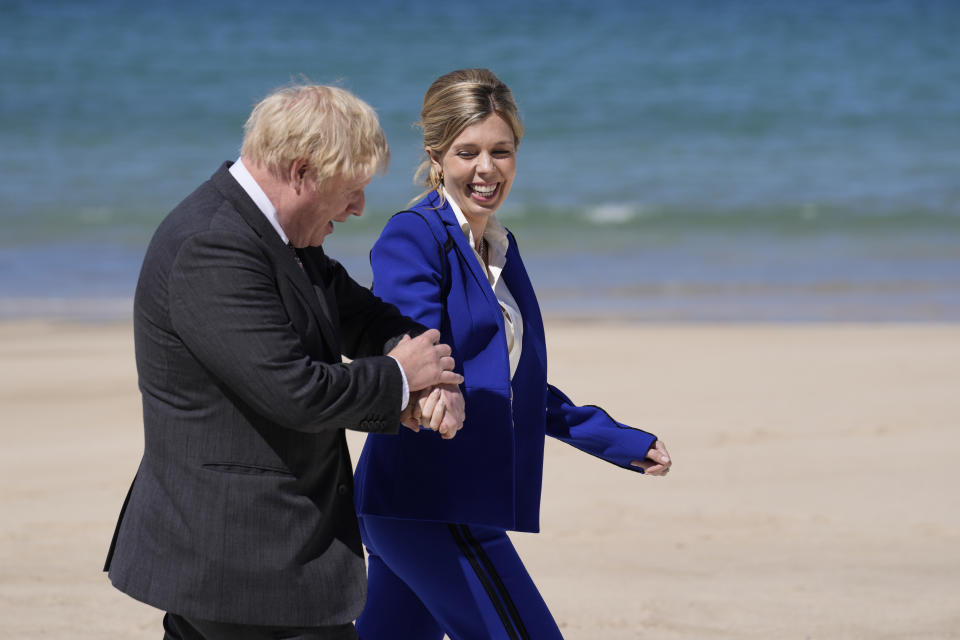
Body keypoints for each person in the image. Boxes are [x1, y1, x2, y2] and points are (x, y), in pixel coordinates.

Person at [103, 84, 465, 640]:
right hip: (237, 558)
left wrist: (428, 376)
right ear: (301, 173)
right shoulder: (213, 245)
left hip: (257, 560)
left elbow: (364, 316)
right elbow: (294, 392)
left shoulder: (278, 233)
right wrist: (398, 380)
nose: (359, 207)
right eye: (352, 190)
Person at [353, 68, 673, 639]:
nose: (486, 168)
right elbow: (410, 341)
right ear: (435, 154)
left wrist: (613, 439)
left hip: (428, 503)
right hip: (431, 500)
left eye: (501, 151)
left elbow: (510, 383)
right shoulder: (415, 235)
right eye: (467, 151)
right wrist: (429, 387)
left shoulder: (498, 245)